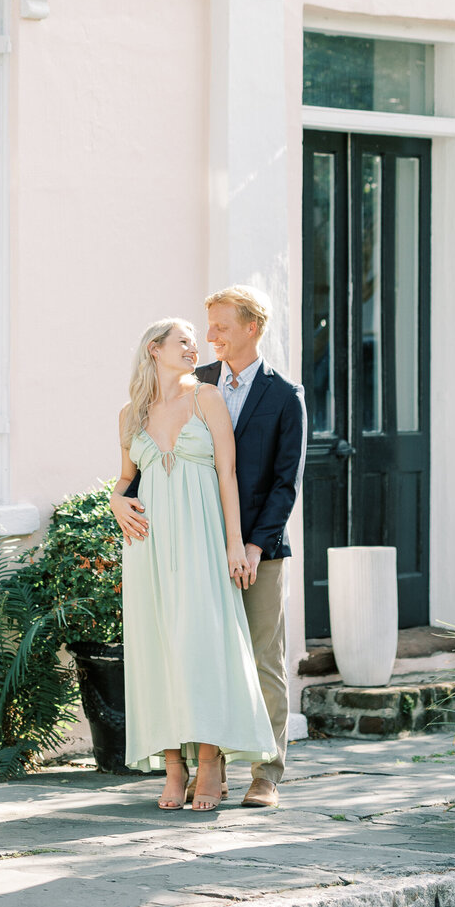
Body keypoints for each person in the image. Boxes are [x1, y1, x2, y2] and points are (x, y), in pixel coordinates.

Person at [114, 286, 305, 809]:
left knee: (260, 656)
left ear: (251, 329)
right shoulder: (190, 385)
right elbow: (134, 473)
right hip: (184, 544)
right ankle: (209, 770)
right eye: (203, 329)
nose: (210, 337)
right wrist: (115, 498)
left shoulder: (284, 396)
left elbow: (284, 483)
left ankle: (266, 774)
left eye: (219, 326)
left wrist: (249, 546)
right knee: (195, 650)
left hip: (252, 546)